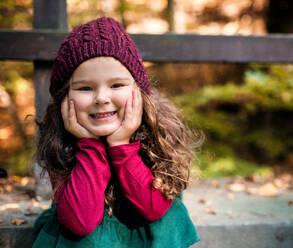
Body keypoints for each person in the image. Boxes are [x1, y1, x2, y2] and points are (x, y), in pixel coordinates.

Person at [32, 17, 201, 248]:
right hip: (87, 223)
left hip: (147, 222)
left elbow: (153, 210)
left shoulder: (159, 130)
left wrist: (122, 146)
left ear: (138, 90)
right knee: (77, 236)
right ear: (65, 98)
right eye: (85, 88)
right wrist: (88, 144)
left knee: (167, 217)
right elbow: (79, 222)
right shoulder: (61, 140)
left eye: (116, 85)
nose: (102, 98)